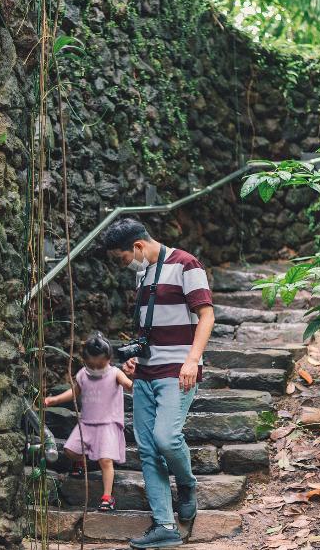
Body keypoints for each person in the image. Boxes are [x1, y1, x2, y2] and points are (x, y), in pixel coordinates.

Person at [102, 218, 215, 549]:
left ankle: (187, 483)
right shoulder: (143, 272)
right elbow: (149, 326)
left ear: (137, 246)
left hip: (178, 371)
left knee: (166, 438)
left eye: (121, 258)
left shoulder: (185, 264)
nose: (123, 265)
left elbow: (206, 315)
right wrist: (136, 356)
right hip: (146, 373)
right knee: (149, 450)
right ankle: (165, 526)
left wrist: (192, 360)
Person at [44, 332, 133, 512]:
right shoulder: (83, 375)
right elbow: (75, 391)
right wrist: (54, 400)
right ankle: (80, 462)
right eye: (91, 364)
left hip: (108, 423)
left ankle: (107, 496)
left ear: (108, 359)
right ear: (85, 360)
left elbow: (129, 386)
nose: (96, 368)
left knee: (105, 460)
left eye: (100, 365)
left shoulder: (115, 373)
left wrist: (136, 378)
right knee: (69, 451)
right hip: (86, 423)